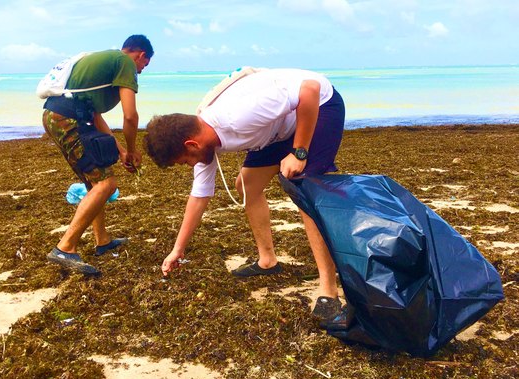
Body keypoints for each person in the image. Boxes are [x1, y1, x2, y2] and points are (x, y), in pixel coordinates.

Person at [143, 68, 348, 328]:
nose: (189, 165)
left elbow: (309, 90)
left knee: (305, 191)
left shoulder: (237, 116)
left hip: (319, 106)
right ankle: (268, 260)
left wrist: (299, 151)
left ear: (191, 145)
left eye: (185, 161)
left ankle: (328, 291)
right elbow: (199, 196)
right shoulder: (204, 139)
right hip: (276, 129)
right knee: (247, 185)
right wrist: (177, 250)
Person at [42, 34, 153, 276]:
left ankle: (102, 240)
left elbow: (94, 115)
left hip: (61, 115)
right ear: (141, 55)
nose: (142, 70)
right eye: (145, 64)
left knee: (95, 182)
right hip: (67, 119)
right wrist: (133, 149)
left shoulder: (106, 60)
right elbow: (131, 116)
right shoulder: (124, 63)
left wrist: (121, 151)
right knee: (107, 183)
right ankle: (65, 247)